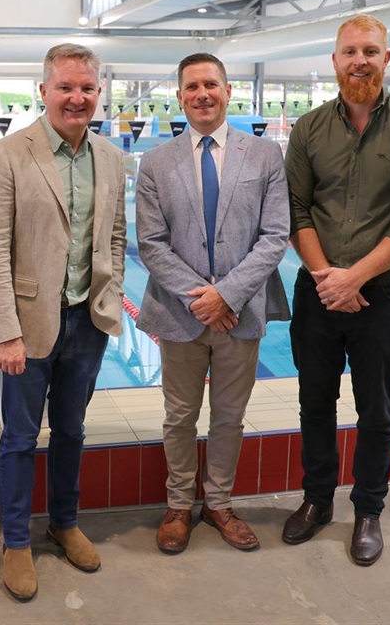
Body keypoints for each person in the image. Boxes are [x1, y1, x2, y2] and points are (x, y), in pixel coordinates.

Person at [282, 14, 390, 566]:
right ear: (334, 60)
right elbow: (296, 211)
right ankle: (317, 500)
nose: (360, 61)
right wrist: (330, 278)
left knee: (376, 409)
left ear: (387, 59)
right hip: (319, 294)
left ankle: (369, 509)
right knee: (314, 402)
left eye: (371, 51)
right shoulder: (308, 129)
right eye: (350, 51)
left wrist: (356, 278)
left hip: (382, 298)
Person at [0, 43, 126, 602]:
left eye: (86, 88)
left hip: (86, 321)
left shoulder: (109, 157)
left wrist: (112, 296)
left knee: (72, 430)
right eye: (65, 87)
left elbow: (114, 235)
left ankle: (64, 522)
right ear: (44, 91)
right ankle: (16, 541)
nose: (77, 97)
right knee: (18, 436)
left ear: (98, 93)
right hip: (29, 323)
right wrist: (6, 331)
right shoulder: (7, 155)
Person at [136, 53, 289, 555]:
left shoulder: (265, 156)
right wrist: (201, 298)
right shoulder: (157, 161)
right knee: (179, 415)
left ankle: (218, 502)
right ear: (179, 96)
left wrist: (227, 294)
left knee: (228, 416)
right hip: (180, 314)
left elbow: (274, 236)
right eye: (192, 86)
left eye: (211, 85)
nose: (202, 94)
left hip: (239, 312)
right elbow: (152, 243)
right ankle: (179, 503)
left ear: (228, 91)